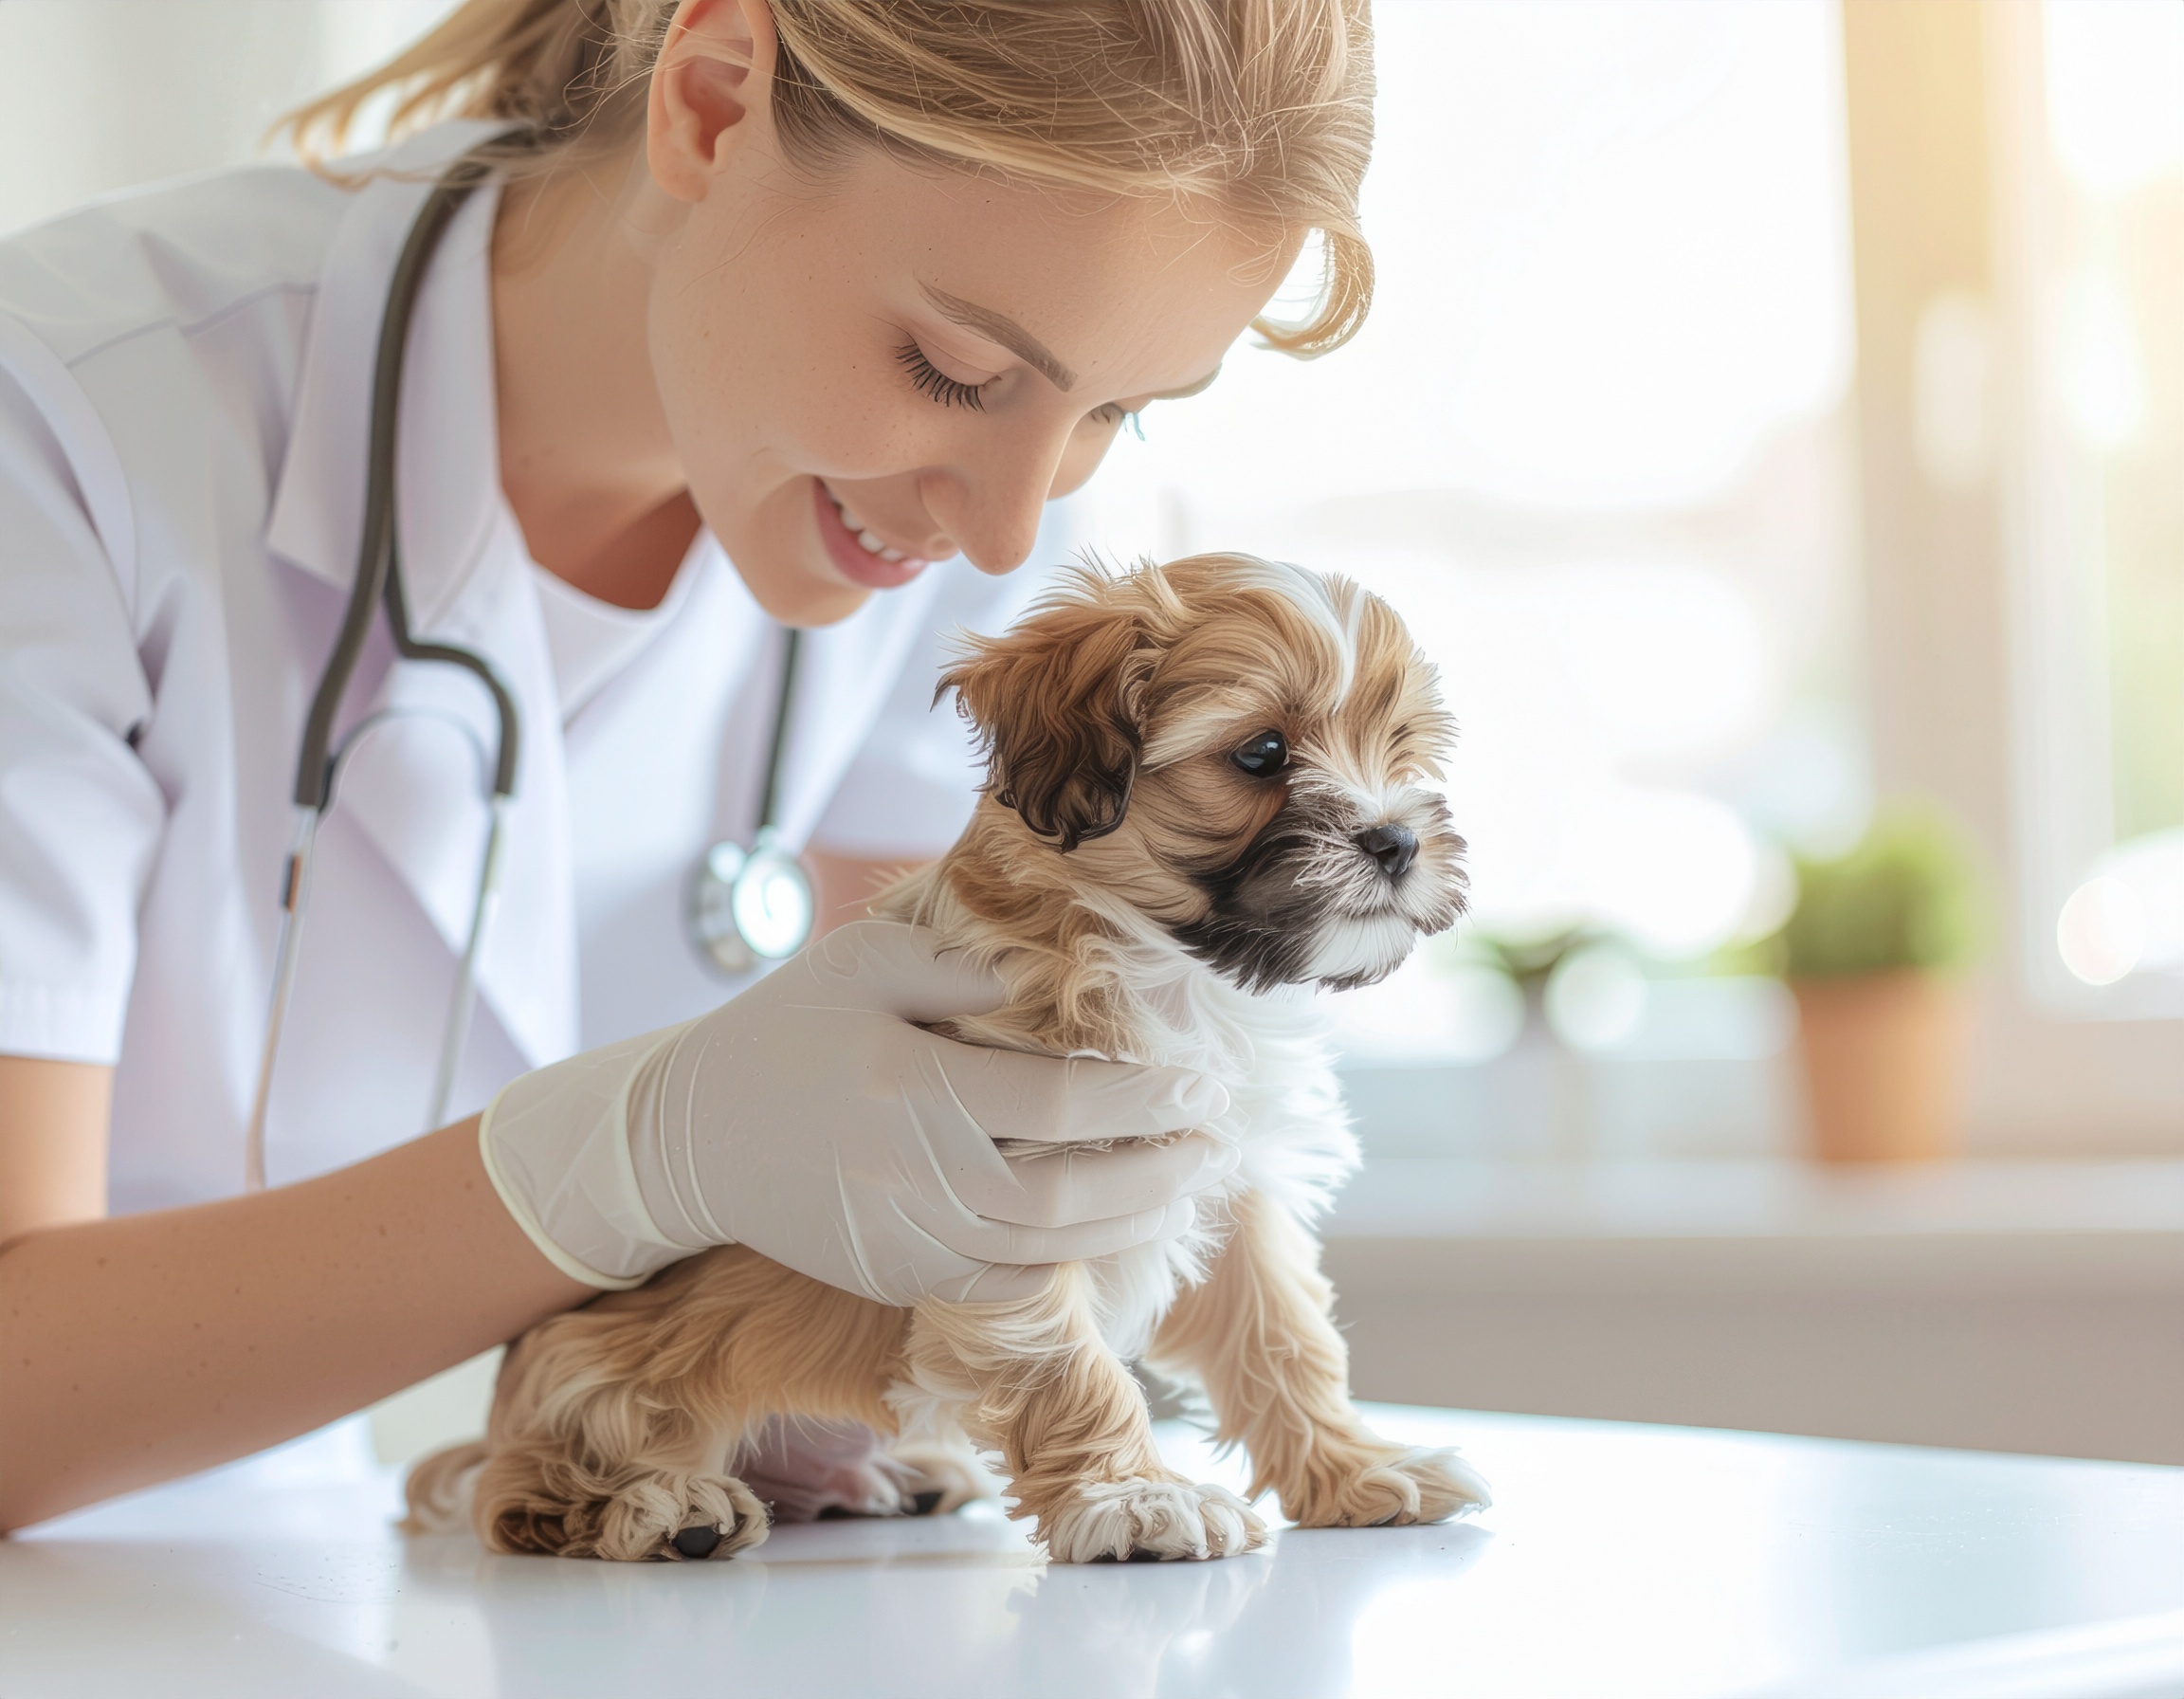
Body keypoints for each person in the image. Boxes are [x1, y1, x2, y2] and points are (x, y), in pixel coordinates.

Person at [0, 0, 1376, 1531]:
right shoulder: (58, 426)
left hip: (352, 1576)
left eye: (1113, 409)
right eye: (952, 367)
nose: (1004, 523)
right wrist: (623, 1157)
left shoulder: (990, 538)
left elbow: (954, 1169)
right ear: (714, 104)